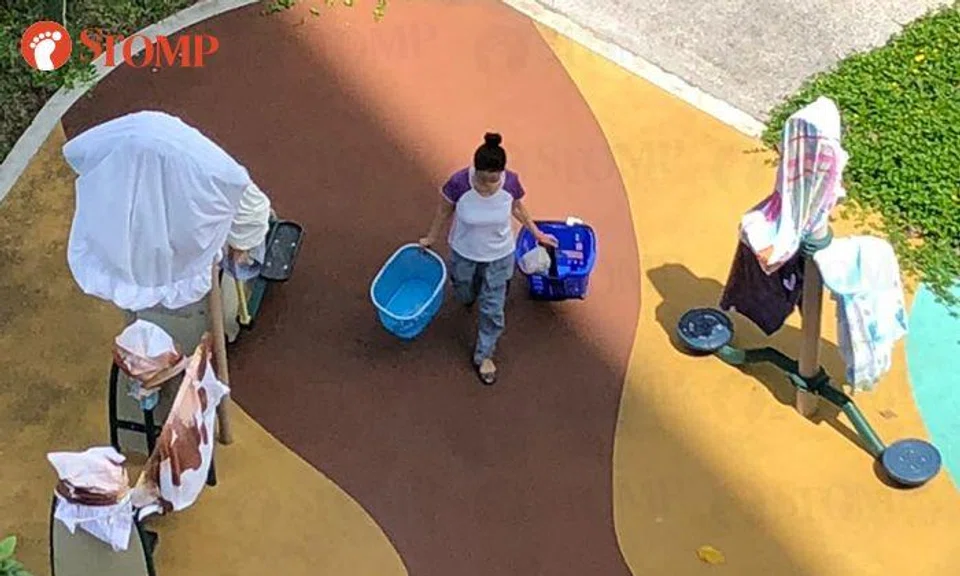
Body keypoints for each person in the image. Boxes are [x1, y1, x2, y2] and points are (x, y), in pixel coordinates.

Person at [419, 132, 558, 385]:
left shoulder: (510, 183)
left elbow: (517, 207)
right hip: (464, 251)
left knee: (492, 306)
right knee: (463, 290)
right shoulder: (459, 183)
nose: (488, 186)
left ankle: (485, 355)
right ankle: (469, 294)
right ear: (475, 170)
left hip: (499, 254)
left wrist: (537, 233)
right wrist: (431, 237)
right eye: (483, 180)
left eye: (494, 180)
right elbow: (443, 210)